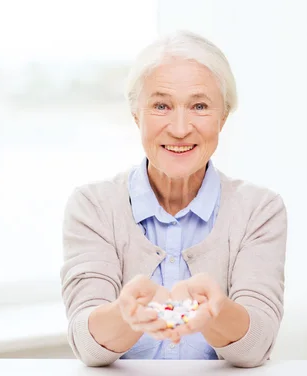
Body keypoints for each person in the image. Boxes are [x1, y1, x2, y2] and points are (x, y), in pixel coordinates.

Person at [60, 30, 287, 368]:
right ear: (136, 114)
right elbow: (88, 347)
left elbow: (255, 349)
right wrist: (126, 314)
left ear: (223, 117)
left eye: (199, 106)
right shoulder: (92, 206)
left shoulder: (260, 210)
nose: (180, 128)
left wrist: (215, 310)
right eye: (161, 105)